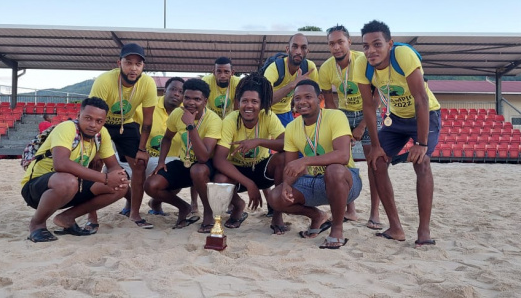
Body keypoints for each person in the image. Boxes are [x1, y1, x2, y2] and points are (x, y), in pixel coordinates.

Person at [355, 20, 442, 247]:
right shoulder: (362, 65)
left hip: (424, 113)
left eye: (377, 44)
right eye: (365, 46)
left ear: (390, 44)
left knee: (421, 162)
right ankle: (395, 227)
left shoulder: (402, 55)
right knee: (377, 162)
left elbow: (421, 99)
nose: (370, 50)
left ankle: (424, 232)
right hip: (396, 118)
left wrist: (421, 143)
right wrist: (375, 145)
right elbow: (368, 106)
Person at [266, 79, 362, 249]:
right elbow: (290, 166)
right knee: (275, 196)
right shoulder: (292, 127)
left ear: (319, 98)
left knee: (334, 170)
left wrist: (306, 160)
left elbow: (343, 155)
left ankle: (337, 229)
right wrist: (287, 184)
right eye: (297, 98)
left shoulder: (335, 116)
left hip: (346, 182)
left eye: (308, 97)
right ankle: (317, 216)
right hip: (313, 182)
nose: (302, 102)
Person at [20, 97, 129, 243]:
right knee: (68, 180)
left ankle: (67, 218)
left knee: (120, 187)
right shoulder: (67, 128)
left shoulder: (102, 134)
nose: (93, 125)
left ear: (104, 122)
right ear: (79, 116)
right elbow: (61, 164)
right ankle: (37, 224)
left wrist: (119, 177)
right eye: (88, 118)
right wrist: (106, 178)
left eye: (99, 121)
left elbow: (113, 165)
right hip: (37, 189)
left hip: (72, 188)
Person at [318, 24, 382, 230]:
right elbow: (329, 102)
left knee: (374, 162)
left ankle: (374, 213)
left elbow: (377, 94)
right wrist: (340, 124)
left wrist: (363, 125)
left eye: (340, 42)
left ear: (349, 43)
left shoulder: (363, 61)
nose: (336, 47)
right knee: (342, 160)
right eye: (332, 43)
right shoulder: (327, 68)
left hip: (368, 111)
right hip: (343, 113)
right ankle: (350, 210)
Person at [208, 73, 287, 234]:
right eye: (245, 101)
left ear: (262, 104)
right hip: (238, 171)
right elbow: (219, 160)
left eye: (254, 101)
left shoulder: (268, 116)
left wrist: (258, 141)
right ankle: (238, 207)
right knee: (219, 178)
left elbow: (286, 144)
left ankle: (277, 215)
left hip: (261, 170)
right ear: (238, 102)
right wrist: (249, 184)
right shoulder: (231, 119)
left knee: (283, 158)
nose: (249, 106)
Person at [89, 43, 157, 228]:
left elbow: (148, 120)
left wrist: (142, 149)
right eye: (128, 62)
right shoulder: (105, 81)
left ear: (143, 66)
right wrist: (96, 149)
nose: (133, 68)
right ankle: (91, 217)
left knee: (140, 165)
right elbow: (95, 116)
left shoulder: (148, 83)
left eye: (138, 64)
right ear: (119, 62)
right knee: (94, 164)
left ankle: (134, 213)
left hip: (126, 124)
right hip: (100, 124)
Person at [144, 79, 222, 229]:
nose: (190, 102)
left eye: (197, 99)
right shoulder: (177, 114)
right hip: (184, 162)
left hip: (207, 168)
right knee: (151, 185)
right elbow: (167, 138)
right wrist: (161, 162)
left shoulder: (213, 120)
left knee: (198, 169)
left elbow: (203, 157)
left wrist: (190, 126)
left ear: (205, 101)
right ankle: (184, 207)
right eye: (187, 98)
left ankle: (208, 212)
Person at [113, 77, 188, 218]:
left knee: (180, 174)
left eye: (181, 91)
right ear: (165, 90)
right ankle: (130, 201)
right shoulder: (146, 107)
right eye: (173, 89)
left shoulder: (187, 115)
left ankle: (156, 203)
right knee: (112, 171)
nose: (177, 94)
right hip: (140, 157)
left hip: (165, 161)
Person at [263, 33, 320, 127]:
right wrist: (293, 84)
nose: (298, 51)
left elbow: (316, 97)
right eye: (295, 46)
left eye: (303, 47)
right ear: (287, 49)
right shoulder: (275, 68)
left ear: (307, 51)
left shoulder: (309, 68)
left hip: (285, 113)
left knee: (293, 140)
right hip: (266, 112)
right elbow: (265, 101)